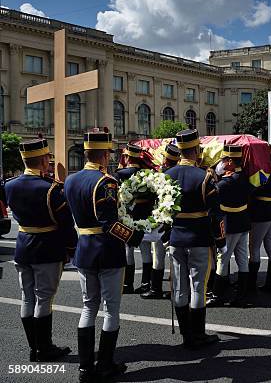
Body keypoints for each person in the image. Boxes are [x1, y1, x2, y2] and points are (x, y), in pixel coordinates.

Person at [65, 129, 144, 382]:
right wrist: (135, 237)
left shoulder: (70, 180)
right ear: (104, 154)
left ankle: (85, 368)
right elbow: (109, 223)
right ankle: (106, 364)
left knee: (88, 306)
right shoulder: (106, 182)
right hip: (107, 250)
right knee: (111, 308)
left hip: (85, 249)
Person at [5, 137, 75, 363]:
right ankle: (44, 348)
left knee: (27, 297)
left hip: (23, 245)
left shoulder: (9, 185)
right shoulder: (52, 189)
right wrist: (71, 247)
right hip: (47, 247)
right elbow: (65, 223)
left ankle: (33, 348)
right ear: (44, 160)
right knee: (44, 298)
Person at [164, 129, 219, 348]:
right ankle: (198, 335)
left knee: (179, 287)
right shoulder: (204, 176)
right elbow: (215, 212)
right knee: (198, 287)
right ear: (196, 150)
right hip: (199, 238)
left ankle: (187, 335)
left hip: (176, 238)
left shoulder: (167, 176)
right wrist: (219, 239)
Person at [209, 144, 253, 307]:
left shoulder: (224, 184)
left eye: (222, 160)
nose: (220, 163)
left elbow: (211, 199)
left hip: (231, 225)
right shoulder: (244, 177)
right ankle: (242, 294)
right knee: (242, 258)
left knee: (223, 259)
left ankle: (217, 295)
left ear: (229, 162)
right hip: (243, 223)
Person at [141, 143, 180, 300]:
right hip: (177, 221)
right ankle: (176, 288)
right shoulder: (178, 173)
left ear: (165, 159)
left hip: (162, 220)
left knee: (159, 255)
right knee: (176, 257)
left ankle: (156, 288)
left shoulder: (161, 175)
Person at [114, 144, 153, 295]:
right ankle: (145, 284)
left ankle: (127, 284)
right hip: (145, 215)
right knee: (146, 251)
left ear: (127, 157)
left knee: (127, 250)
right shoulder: (148, 173)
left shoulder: (120, 173)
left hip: (127, 215)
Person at [248, 145, 271, 293]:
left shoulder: (261, 173)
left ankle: (251, 283)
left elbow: (251, 190)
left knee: (254, 248)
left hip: (261, 213)